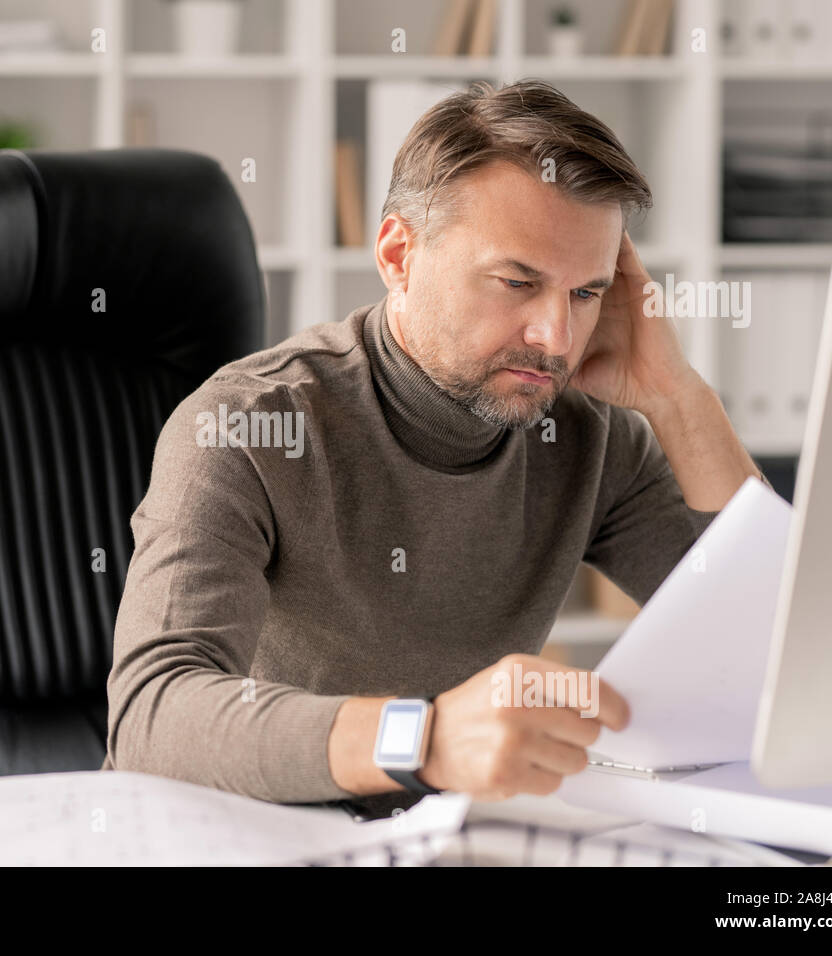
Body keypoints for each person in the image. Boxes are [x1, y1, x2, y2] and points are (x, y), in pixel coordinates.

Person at [102, 79, 769, 818]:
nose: (555, 338)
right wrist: (425, 739)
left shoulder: (590, 434)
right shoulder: (249, 425)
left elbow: (771, 649)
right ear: (398, 256)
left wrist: (676, 395)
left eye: (586, 294)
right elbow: (150, 717)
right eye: (518, 281)